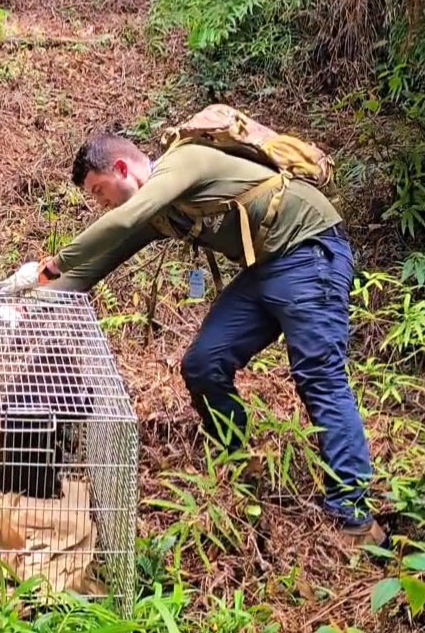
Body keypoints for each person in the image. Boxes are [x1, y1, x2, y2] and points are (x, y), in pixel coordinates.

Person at [38, 131, 388, 548]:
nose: (102, 203)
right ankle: (241, 458)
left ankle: (355, 517)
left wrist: (56, 261)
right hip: (263, 268)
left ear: (121, 169)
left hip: (308, 251)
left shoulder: (184, 162)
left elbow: (121, 222)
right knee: (203, 364)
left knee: (319, 376)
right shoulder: (161, 212)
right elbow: (100, 262)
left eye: (99, 191)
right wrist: (26, 294)